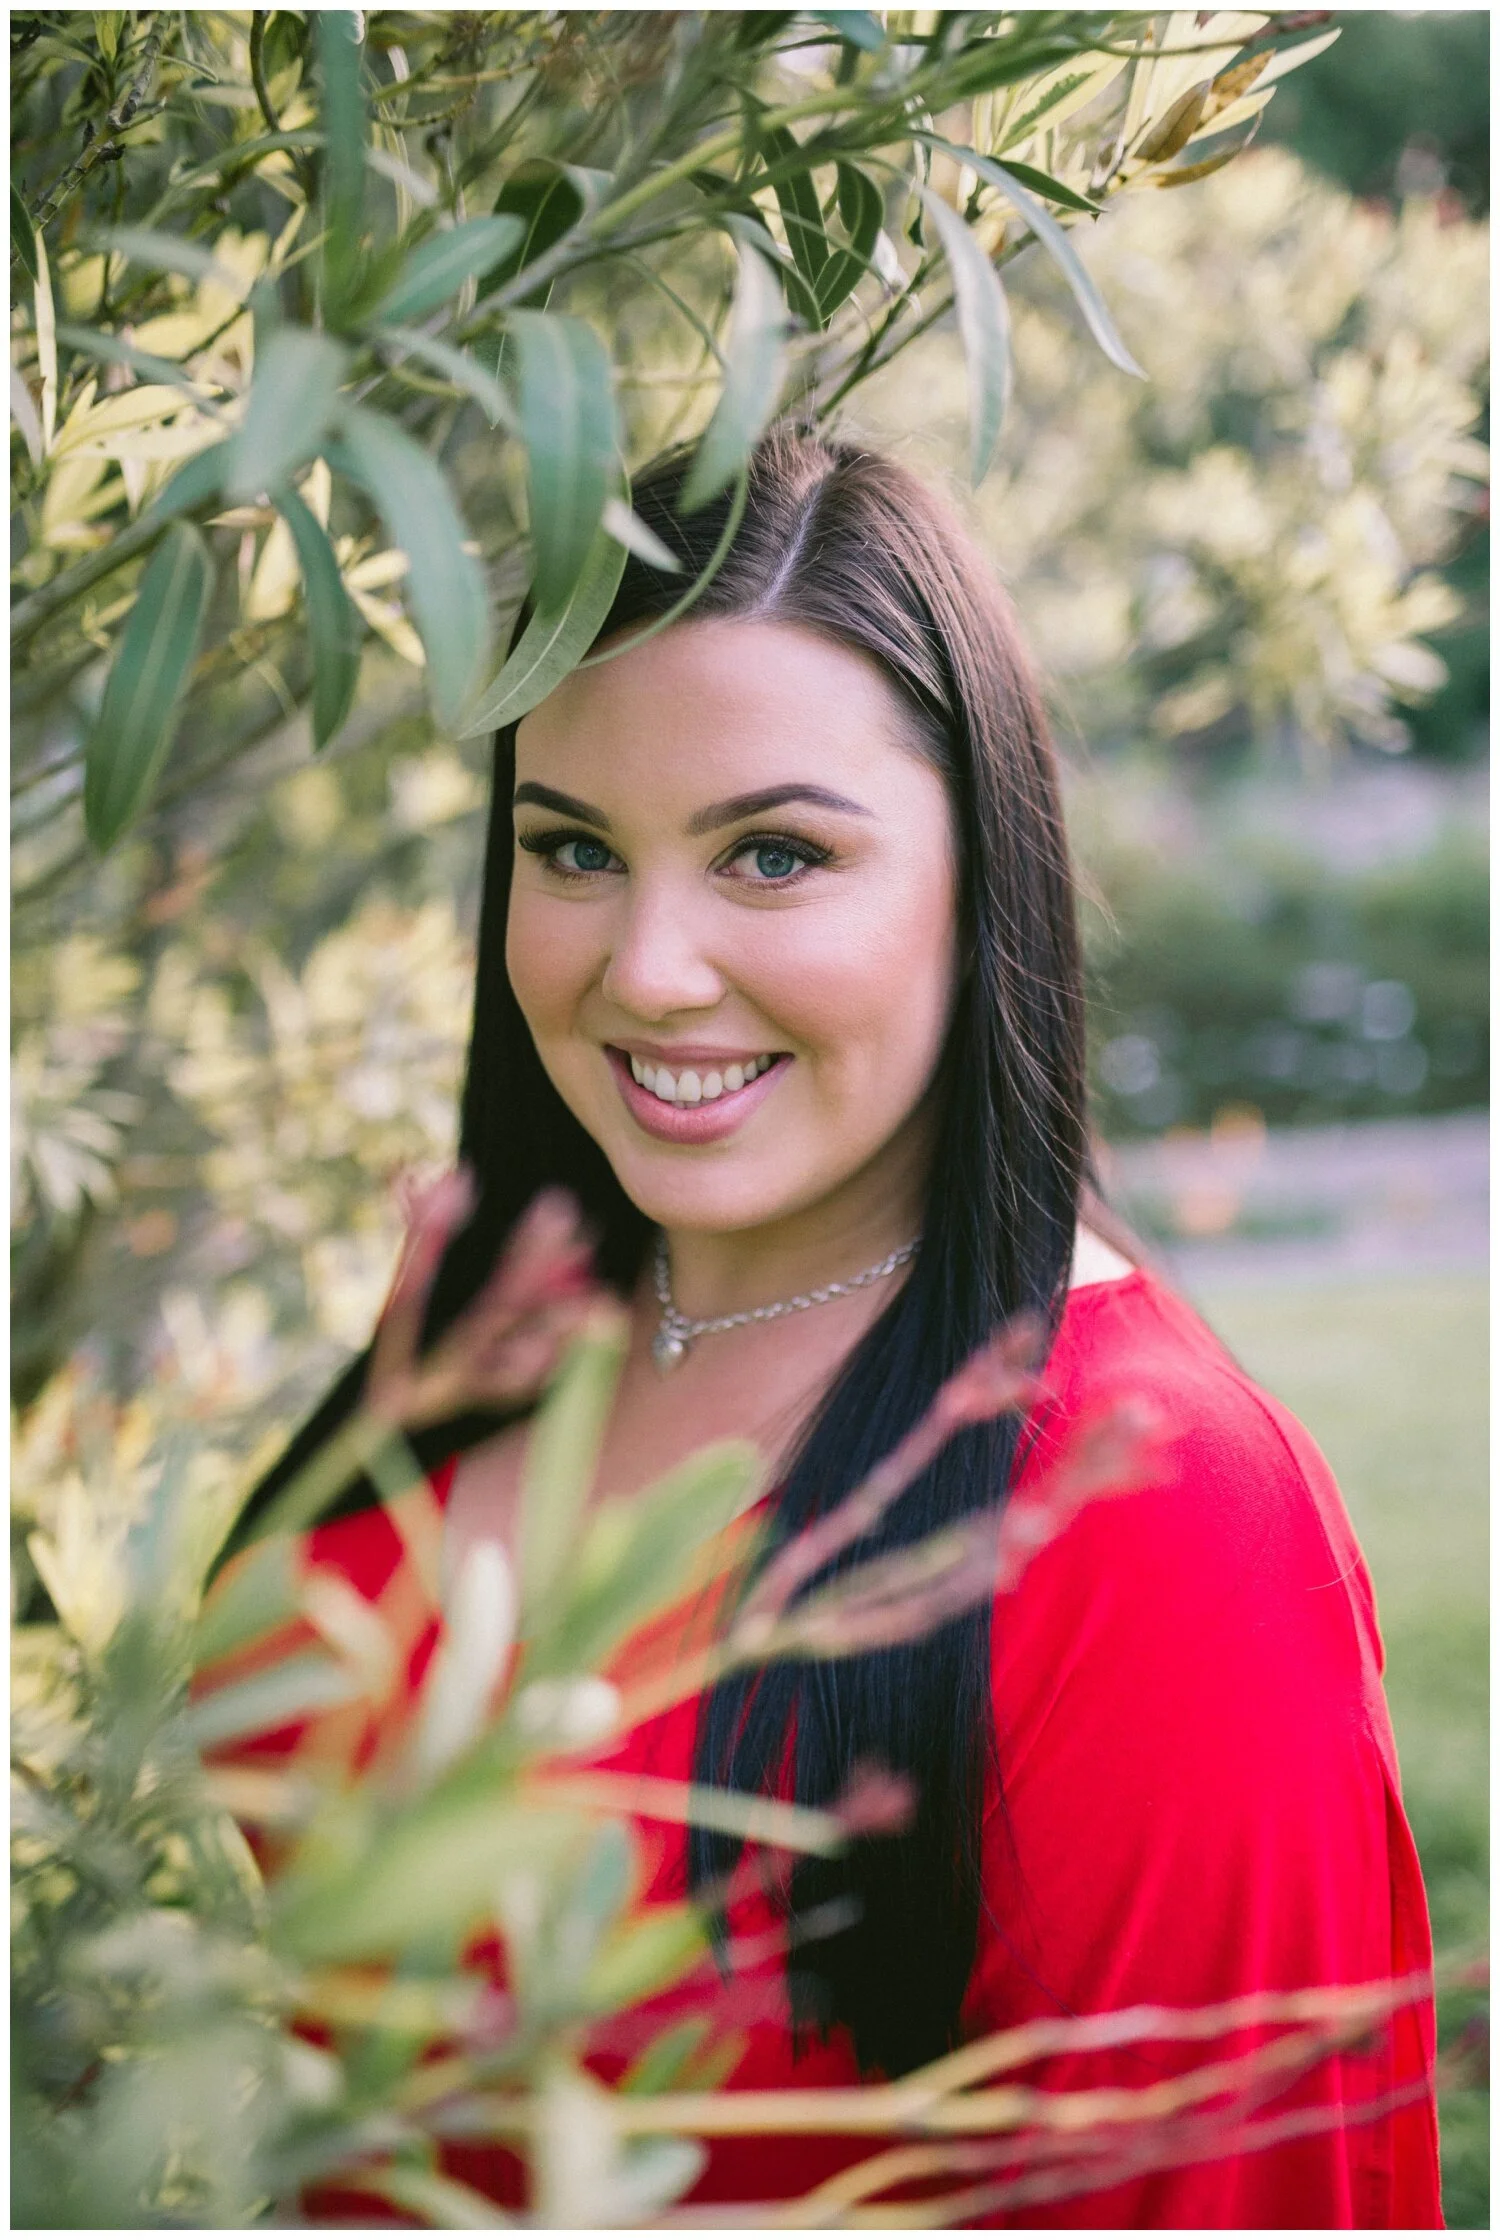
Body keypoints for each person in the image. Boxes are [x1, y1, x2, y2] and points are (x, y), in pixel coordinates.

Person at [228, 426, 1442, 2226]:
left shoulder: (1153, 1515)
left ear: (982, 888)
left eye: (775, 857)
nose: (642, 968)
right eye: (569, 849)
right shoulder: (487, 1351)